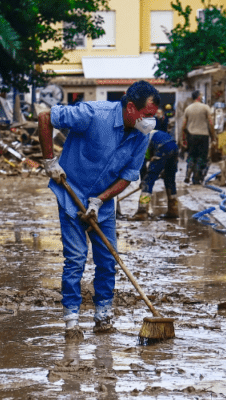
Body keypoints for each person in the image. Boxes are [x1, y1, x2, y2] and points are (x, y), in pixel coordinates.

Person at [38, 80, 160, 339]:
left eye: (153, 117)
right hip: (71, 196)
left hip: (102, 205)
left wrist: (100, 200)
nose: (150, 122)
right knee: (76, 259)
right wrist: (50, 160)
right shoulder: (93, 114)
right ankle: (71, 320)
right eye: (146, 115)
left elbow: (128, 176)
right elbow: (45, 117)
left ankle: (103, 316)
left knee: (107, 261)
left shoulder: (141, 136)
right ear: (130, 108)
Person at [131, 125, 179, 221]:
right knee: (170, 179)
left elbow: (142, 164)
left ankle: (142, 211)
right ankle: (173, 209)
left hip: (162, 147)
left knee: (148, 181)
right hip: (174, 146)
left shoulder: (141, 140)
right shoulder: (152, 133)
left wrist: (144, 182)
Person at [181, 90, 215, 185]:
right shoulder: (205, 107)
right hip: (203, 136)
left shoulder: (188, 108)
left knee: (192, 155)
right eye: (201, 95)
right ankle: (196, 178)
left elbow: (183, 125)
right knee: (201, 157)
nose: (202, 96)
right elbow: (210, 123)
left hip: (191, 136)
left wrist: (183, 139)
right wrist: (213, 136)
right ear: (198, 97)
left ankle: (188, 173)